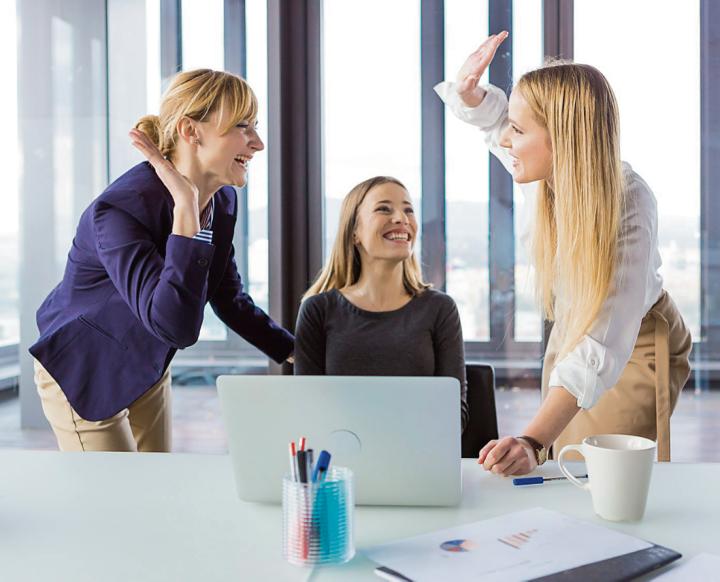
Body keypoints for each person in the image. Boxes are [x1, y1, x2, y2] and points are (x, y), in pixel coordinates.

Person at [435, 31, 691, 475]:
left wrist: (531, 440)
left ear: (564, 140)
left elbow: (603, 338)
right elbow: (498, 125)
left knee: (599, 471)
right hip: (576, 327)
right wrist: (469, 94)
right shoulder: (547, 171)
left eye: (518, 131)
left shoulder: (628, 203)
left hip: (633, 339)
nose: (506, 141)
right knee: (564, 463)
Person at [30, 69, 294, 452]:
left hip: (147, 361)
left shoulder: (222, 201)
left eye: (255, 126)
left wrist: (294, 350)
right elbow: (175, 327)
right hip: (86, 367)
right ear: (191, 130)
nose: (258, 143)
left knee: (159, 478)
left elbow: (228, 297)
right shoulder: (120, 211)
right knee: (120, 489)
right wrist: (185, 212)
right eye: (242, 126)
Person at [294, 176, 469, 431]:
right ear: (354, 232)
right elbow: (307, 410)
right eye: (384, 209)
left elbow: (454, 415)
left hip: (418, 451)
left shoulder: (440, 308)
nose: (401, 218)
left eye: (408, 210)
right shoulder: (317, 310)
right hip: (341, 453)